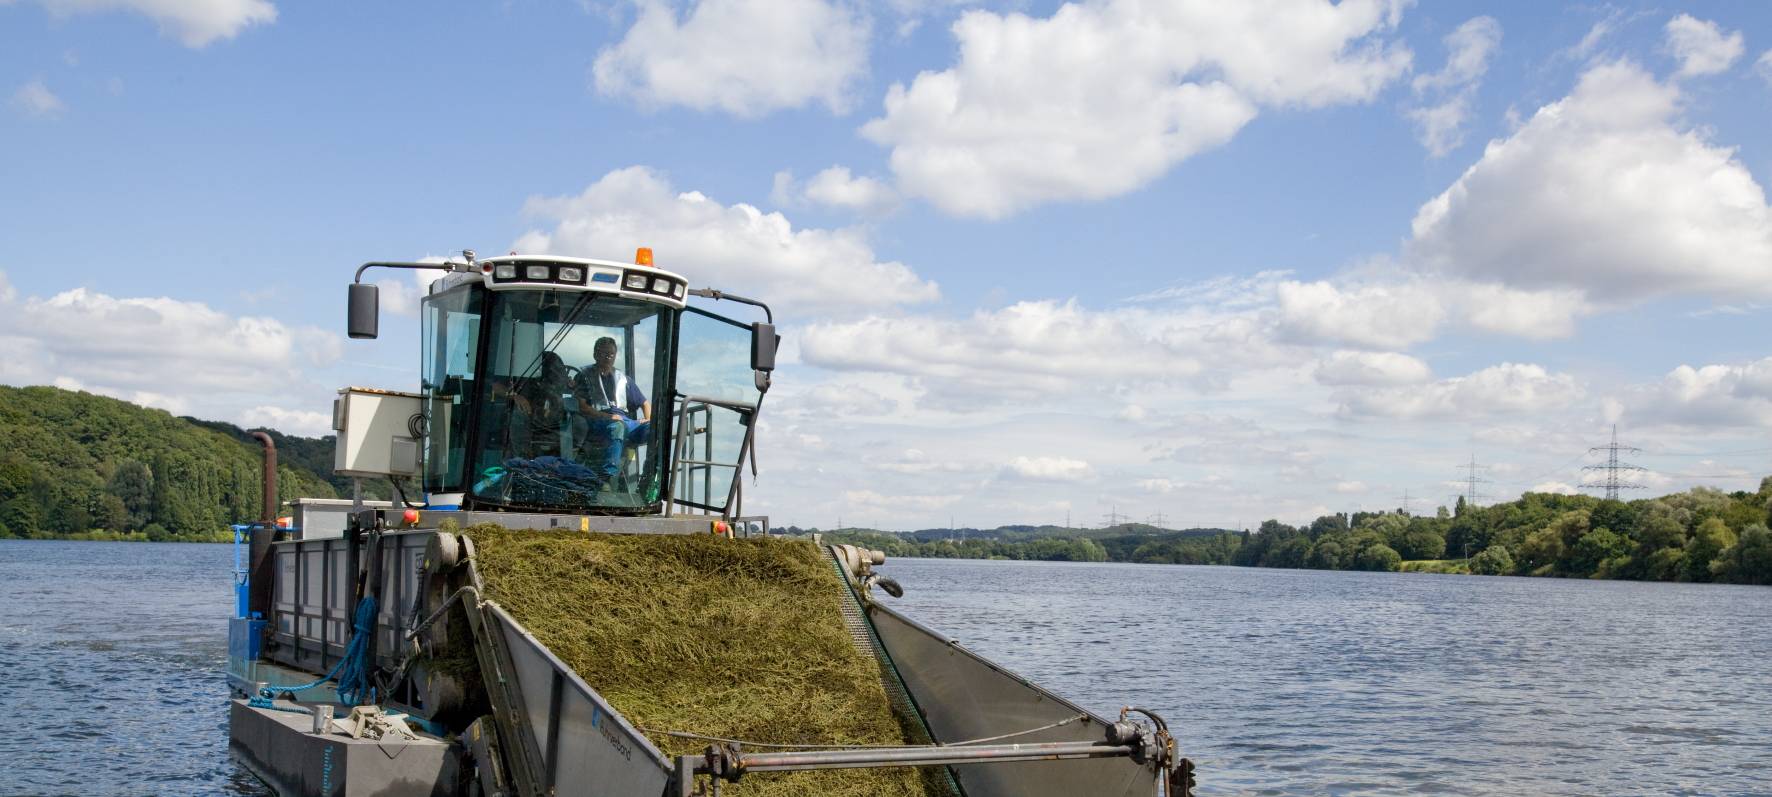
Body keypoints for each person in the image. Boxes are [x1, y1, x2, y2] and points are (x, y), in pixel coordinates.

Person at [574, 336, 651, 482]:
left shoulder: (623, 379)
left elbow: (645, 403)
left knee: (655, 429)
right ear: (595, 354)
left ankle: (648, 477)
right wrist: (605, 416)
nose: (608, 357)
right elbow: (581, 406)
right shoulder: (584, 375)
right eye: (604, 354)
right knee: (617, 427)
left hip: (625, 422)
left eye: (611, 354)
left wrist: (647, 420)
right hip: (596, 422)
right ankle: (606, 477)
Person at [490, 351, 576, 458]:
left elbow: (561, 384)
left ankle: (567, 462)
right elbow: (494, 385)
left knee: (579, 422)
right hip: (526, 410)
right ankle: (522, 460)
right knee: (519, 414)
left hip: (550, 410)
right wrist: (515, 396)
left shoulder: (552, 359)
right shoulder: (514, 361)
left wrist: (569, 386)